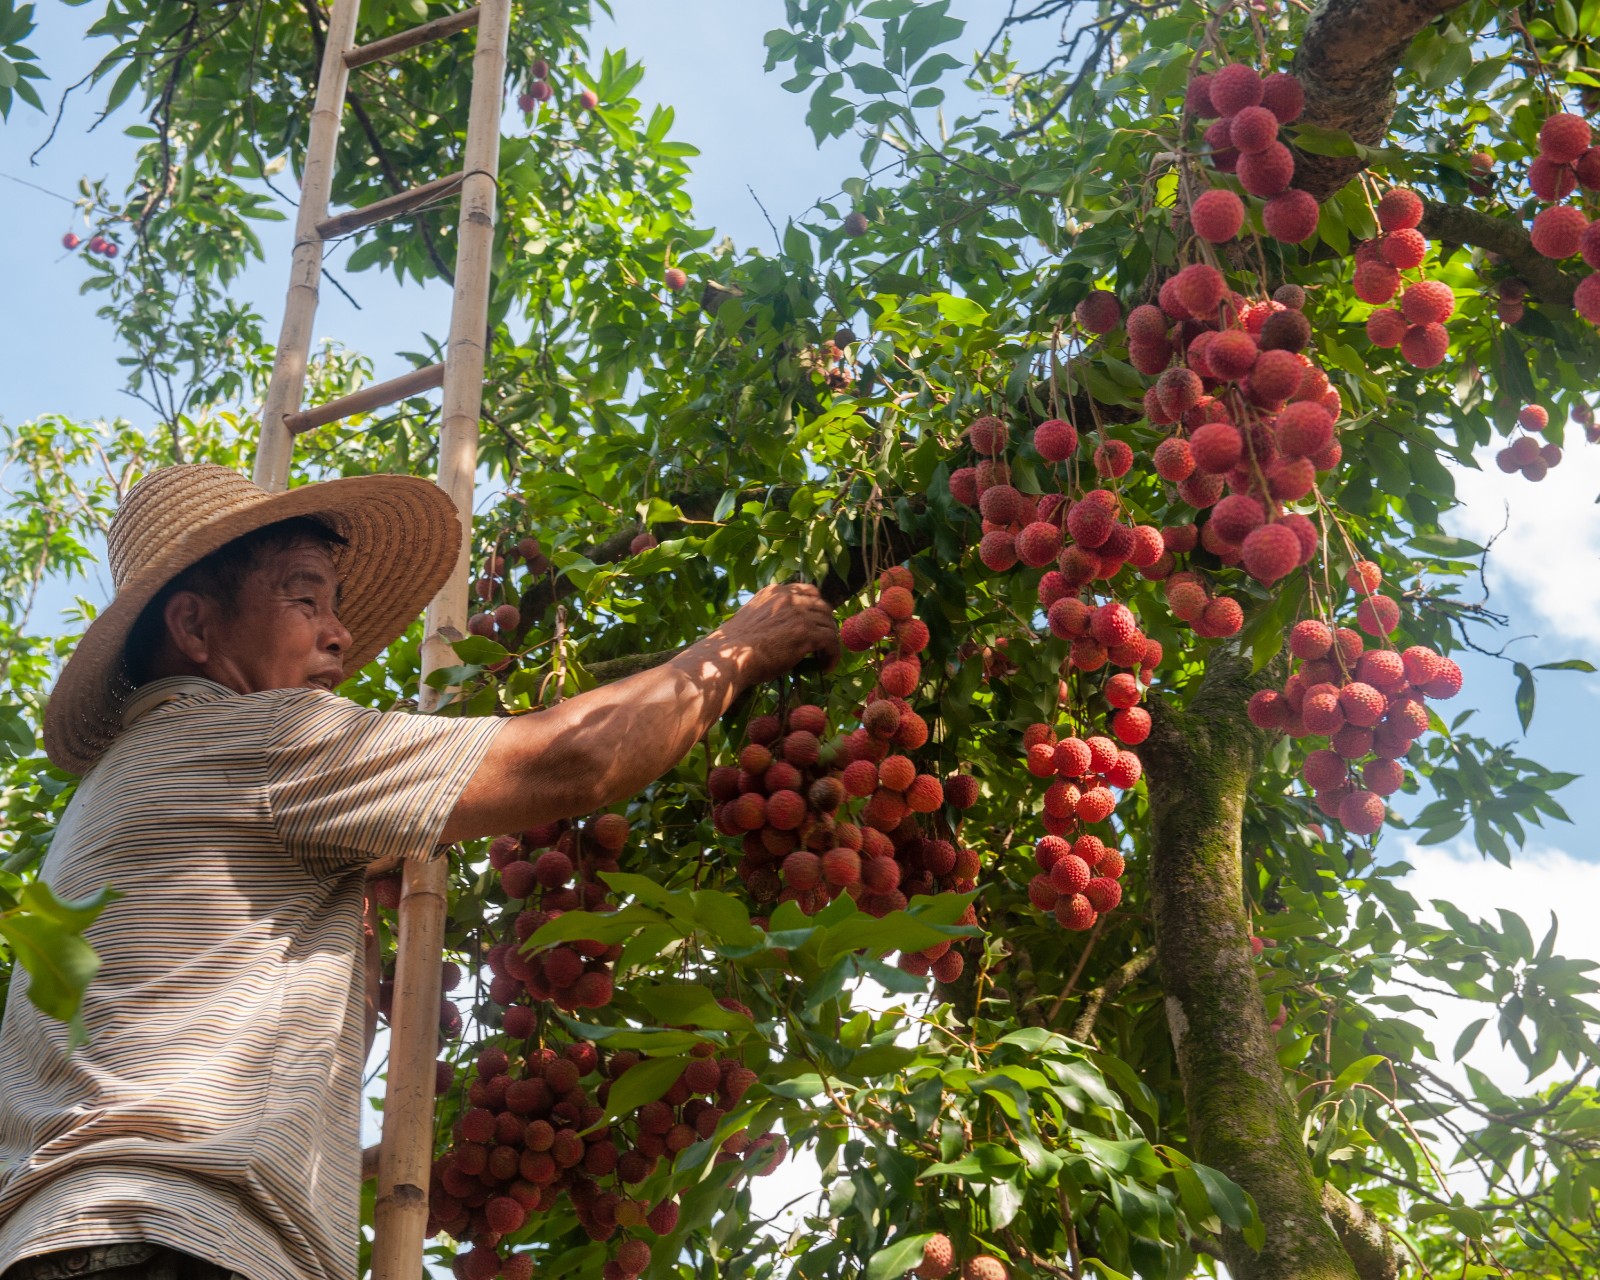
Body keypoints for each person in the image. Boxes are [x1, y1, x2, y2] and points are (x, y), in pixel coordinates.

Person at [0, 464, 837, 1280]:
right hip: (172, 1243)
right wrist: (738, 647)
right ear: (194, 627)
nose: (339, 632)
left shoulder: (113, 795)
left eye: (334, 604)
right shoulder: (260, 739)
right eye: (304, 598)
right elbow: (574, 760)